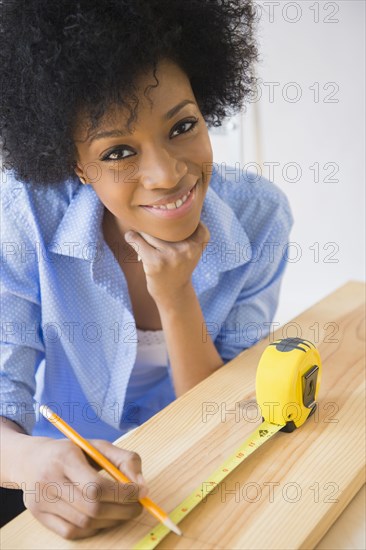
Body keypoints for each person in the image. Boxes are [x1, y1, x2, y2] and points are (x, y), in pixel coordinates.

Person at [0, 0, 293, 540]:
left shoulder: (259, 216)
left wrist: (175, 294)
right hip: (57, 473)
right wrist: (28, 463)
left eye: (183, 125)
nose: (166, 174)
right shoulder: (25, 218)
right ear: (75, 165)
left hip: (193, 465)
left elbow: (230, 411)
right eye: (117, 153)